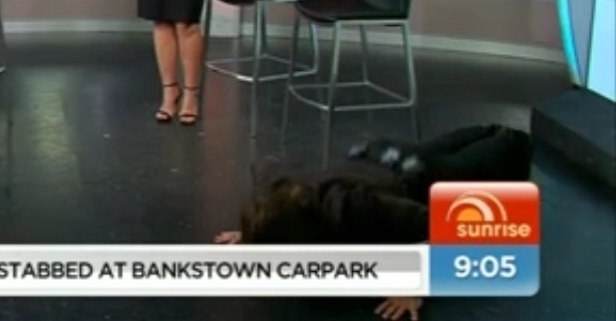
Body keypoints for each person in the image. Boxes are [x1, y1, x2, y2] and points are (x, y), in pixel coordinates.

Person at [214, 124, 533, 320]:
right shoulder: (276, 185)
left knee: (504, 145)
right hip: (375, 154)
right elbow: (269, 198)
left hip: (410, 176)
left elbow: (443, 227)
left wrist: (414, 282)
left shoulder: (354, 208)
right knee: (438, 150)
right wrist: (255, 234)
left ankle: (505, 137)